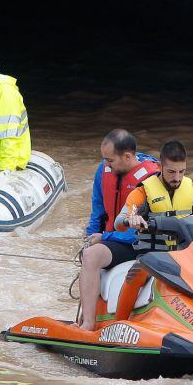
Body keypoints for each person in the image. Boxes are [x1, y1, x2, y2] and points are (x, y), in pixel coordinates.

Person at [78, 129, 160, 331]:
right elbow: (98, 208)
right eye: (104, 159)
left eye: (110, 160)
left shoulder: (151, 180)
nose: (106, 165)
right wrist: (91, 236)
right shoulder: (104, 170)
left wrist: (105, 236)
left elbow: (144, 227)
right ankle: (88, 322)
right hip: (115, 240)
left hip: (141, 243)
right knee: (89, 255)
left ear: (127, 156)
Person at [115, 141, 193, 232]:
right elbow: (118, 223)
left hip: (185, 247)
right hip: (155, 247)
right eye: (171, 172)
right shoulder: (142, 192)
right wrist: (129, 220)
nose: (177, 178)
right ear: (159, 166)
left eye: (181, 171)